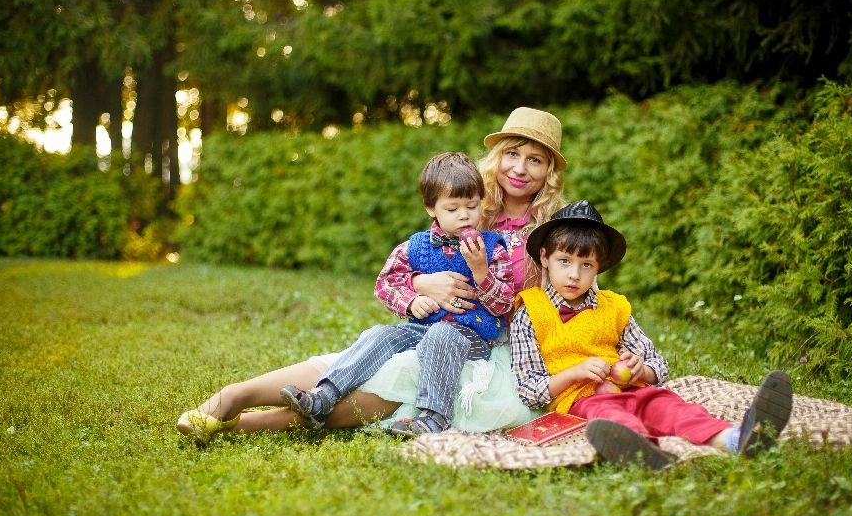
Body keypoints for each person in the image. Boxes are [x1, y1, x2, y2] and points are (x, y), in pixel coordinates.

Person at [177, 107, 568, 444]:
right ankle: (235, 396)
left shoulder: (554, 229)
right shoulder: (468, 200)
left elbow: (567, 295)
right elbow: (413, 264)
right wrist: (419, 286)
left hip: (493, 341)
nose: (519, 168)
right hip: (430, 320)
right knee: (372, 347)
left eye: (535, 159)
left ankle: (247, 424)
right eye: (512, 154)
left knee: (402, 373)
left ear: (549, 170)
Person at [510, 200, 794, 470]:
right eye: (565, 261)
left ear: (599, 267)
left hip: (633, 389)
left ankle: (736, 440)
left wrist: (640, 370)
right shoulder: (530, 312)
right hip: (584, 400)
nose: (574, 275)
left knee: (673, 407)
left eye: (586, 265)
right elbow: (530, 390)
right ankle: (642, 452)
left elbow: (657, 363)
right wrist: (575, 373)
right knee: (614, 419)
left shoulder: (614, 307)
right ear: (545, 257)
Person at [277, 152, 514, 436]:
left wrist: (480, 272)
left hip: (472, 339)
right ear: (431, 208)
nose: (464, 215)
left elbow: (504, 303)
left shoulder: (492, 249)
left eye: (472, 206)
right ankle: (324, 396)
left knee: (443, 335)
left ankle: (434, 418)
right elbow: (386, 283)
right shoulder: (413, 247)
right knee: (381, 334)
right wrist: (412, 300)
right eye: (452, 209)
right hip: (422, 331)